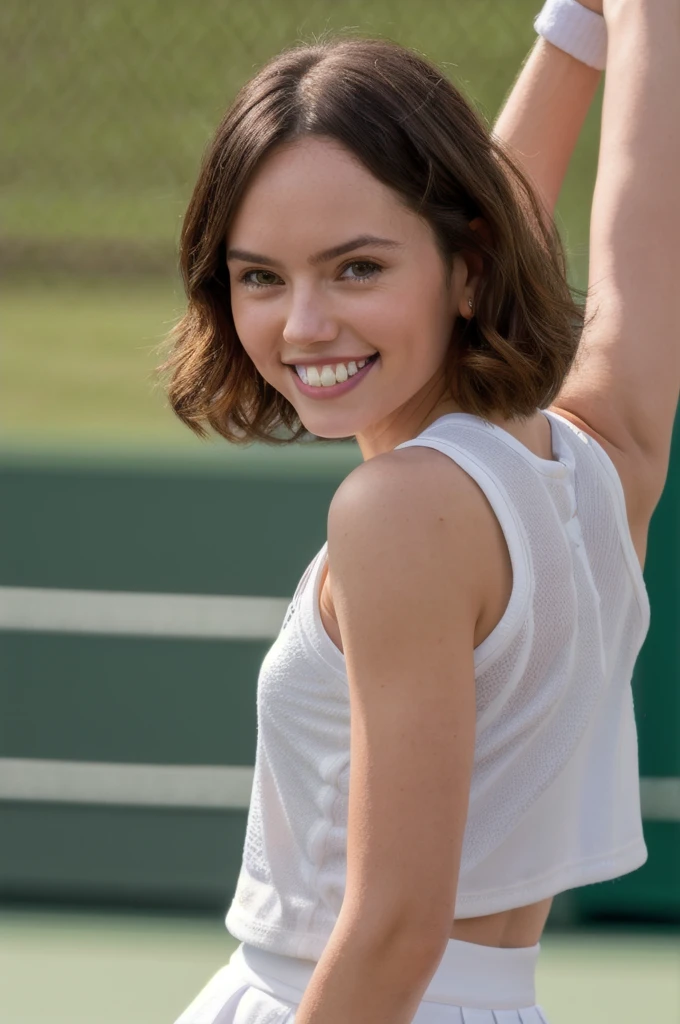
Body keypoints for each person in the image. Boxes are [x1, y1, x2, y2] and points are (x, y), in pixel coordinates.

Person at [164, 0, 679, 1020]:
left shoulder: (395, 511)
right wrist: (597, 22)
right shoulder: (603, 458)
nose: (303, 324)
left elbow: (395, 932)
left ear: (468, 265)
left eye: (354, 267)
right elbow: (633, 208)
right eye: (259, 276)